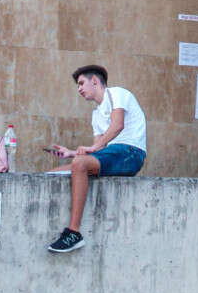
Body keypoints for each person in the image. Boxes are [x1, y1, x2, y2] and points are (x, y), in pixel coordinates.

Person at [44, 64, 148, 254]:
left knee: (80, 164)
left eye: (82, 83)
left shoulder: (116, 93)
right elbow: (95, 152)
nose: (79, 89)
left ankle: (73, 233)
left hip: (130, 152)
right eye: (77, 86)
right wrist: (71, 152)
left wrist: (90, 150)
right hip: (112, 155)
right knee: (51, 174)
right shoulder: (96, 115)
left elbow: (118, 125)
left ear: (95, 81)